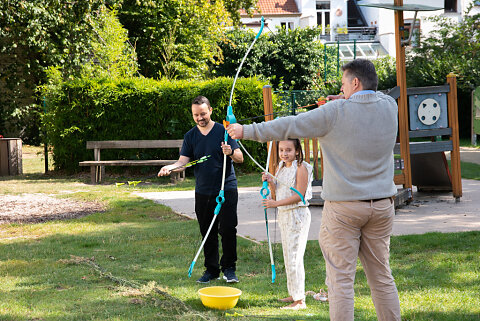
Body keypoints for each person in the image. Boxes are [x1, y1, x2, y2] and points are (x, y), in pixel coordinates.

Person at [227, 59, 401, 320]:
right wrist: (343, 100)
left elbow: (289, 125)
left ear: (355, 82)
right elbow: (366, 104)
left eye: (344, 84)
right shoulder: (390, 106)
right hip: (383, 206)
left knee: (340, 281)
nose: (341, 89)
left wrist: (245, 130)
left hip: (344, 209)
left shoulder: (334, 112)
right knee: (381, 277)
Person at [158, 95, 244, 283]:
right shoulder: (190, 136)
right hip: (203, 191)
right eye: (196, 115)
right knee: (207, 231)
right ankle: (211, 270)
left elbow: (240, 157)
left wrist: (229, 152)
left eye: (203, 113)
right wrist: (170, 168)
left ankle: (229, 269)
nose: (200, 118)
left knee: (228, 229)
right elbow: (183, 162)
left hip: (226, 188)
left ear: (210, 111)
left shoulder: (224, 131)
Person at [262, 139, 313, 310]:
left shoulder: (301, 167)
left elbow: (299, 195)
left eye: (289, 150)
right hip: (284, 215)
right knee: (288, 255)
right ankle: (294, 293)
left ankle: (300, 301)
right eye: (282, 150)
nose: (284, 153)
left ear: (297, 151)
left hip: (297, 215)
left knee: (295, 258)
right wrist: (270, 182)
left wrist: (275, 204)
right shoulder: (282, 167)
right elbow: (276, 194)